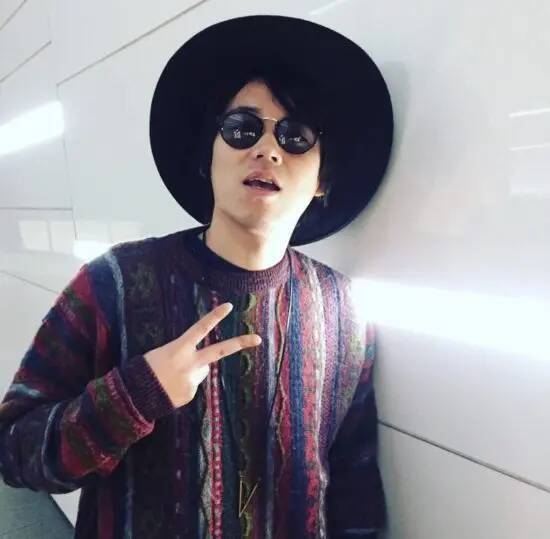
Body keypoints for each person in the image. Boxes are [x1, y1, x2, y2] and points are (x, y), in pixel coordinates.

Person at [0, 15, 393, 539]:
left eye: (296, 136)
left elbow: (354, 483)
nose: (267, 150)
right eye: (242, 128)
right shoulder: (113, 284)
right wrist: (135, 395)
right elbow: (14, 451)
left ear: (324, 178)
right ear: (208, 157)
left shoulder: (344, 312)